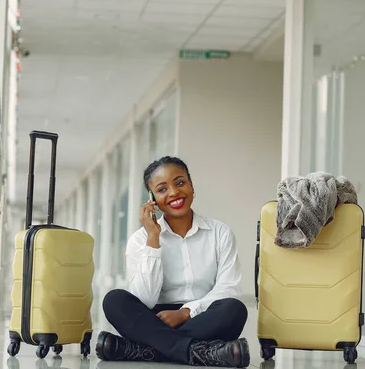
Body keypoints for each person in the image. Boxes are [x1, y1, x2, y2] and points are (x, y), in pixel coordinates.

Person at [95, 156, 250, 368]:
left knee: (234, 309)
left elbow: (228, 288)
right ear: (152, 198)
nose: (174, 193)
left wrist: (186, 313)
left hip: (202, 317)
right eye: (162, 189)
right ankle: (199, 352)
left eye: (179, 183)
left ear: (191, 185)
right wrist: (153, 239)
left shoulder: (220, 233)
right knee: (114, 300)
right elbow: (144, 299)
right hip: (155, 318)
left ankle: (145, 351)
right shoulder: (140, 240)